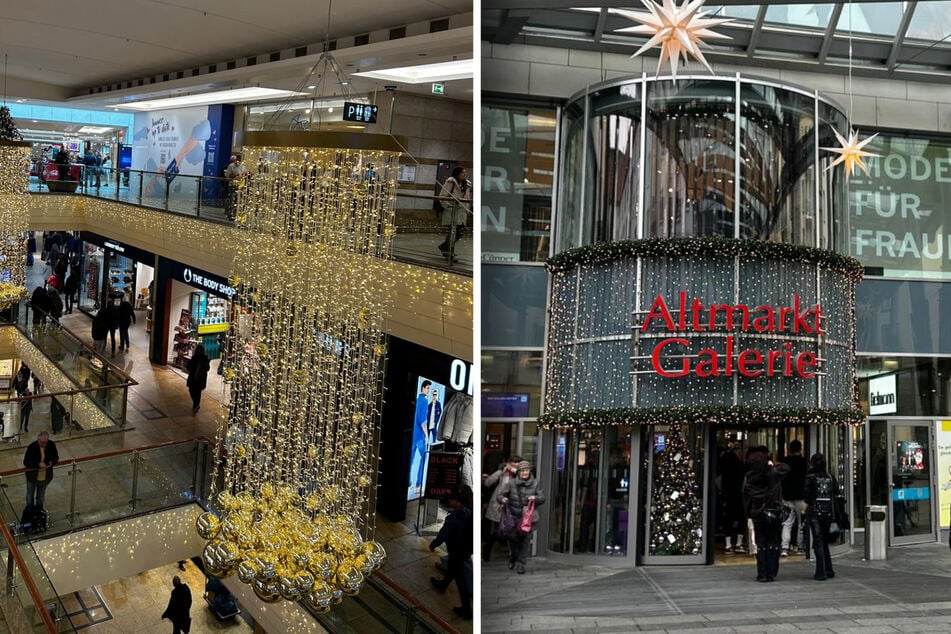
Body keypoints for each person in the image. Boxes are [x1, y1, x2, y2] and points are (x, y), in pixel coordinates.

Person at [742, 447, 790, 582]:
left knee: (761, 543)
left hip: (758, 512)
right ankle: (771, 572)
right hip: (773, 511)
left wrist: (748, 512)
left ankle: (762, 572)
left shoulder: (750, 477)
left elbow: (745, 496)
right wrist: (772, 464)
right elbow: (786, 468)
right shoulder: (774, 474)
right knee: (773, 542)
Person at [429, 488, 473, 619]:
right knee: (453, 570)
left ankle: (466, 610)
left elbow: (443, 534)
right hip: (465, 551)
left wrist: (434, 544)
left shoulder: (453, 519)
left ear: (459, 502)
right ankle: (442, 585)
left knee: (460, 581)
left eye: (453, 499)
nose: (449, 500)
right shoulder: (468, 514)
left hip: (456, 551)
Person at [498, 460, 545, 574]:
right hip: (513, 517)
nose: (525, 473)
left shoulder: (535, 483)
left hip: (527, 519)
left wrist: (535, 498)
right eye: (523, 470)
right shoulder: (511, 483)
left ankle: (521, 564)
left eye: (527, 470)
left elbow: (542, 498)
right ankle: (513, 557)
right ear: (518, 472)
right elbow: (500, 495)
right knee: (513, 541)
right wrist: (503, 499)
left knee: (525, 541)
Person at [804, 452, 838, 581]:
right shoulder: (830, 477)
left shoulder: (810, 477)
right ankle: (828, 569)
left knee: (817, 540)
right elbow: (836, 493)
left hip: (814, 511)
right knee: (824, 541)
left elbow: (807, 496)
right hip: (828, 511)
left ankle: (820, 571)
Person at [482, 455, 520, 561]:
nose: (515, 464)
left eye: (517, 462)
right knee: (501, 529)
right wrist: (500, 471)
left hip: (513, 506)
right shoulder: (503, 473)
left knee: (510, 529)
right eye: (513, 462)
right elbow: (488, 482)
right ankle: (488, 549)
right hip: (500, 506)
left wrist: (511, 469)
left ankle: (512, 553)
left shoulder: (519, 474)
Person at [779, 439, 808, 556]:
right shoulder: (804, 462)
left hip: (787, 496)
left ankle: (784, 547)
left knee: (787, 523)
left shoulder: (784, 462)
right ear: (800, 449)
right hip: (801, 496)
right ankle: (800, 546)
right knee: (802, 523)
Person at [718, 440, 747, 554]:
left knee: (728, 519)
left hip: (727, 494)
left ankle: (728, 544)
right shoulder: (739, 465)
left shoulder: (724, 465)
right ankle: (738, 544)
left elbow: (719, 480)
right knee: (740, 518)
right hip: (738, 494)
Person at [437, 167, 471, 261]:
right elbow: (442, 196)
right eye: (462, 172)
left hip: (461, 212)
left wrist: (466, 210)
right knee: (452, 233)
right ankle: (449, 253)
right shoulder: (450, 182)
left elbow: (467, 198)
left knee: (459, 233)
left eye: (465, 172)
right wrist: (450, 207)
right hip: (452, 211)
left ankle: (445, 248)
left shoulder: (466, 184)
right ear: (457, 173)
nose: (465, 174)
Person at [23, 431, 59, 509]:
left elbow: (55, 457)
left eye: (45, 442)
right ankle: (30, 512)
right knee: (29, 496)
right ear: (38, 439)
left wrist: (51, 463)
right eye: (41, 442)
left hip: (44, 477)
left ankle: (39, 512)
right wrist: (38, 464)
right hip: (32, 477)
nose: (43, 444)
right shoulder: (32, 446)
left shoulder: (51, 445)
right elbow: (26, 462)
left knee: (40, 497)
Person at [409, 380, 432, 497]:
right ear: (423, 388)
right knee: (424, 458)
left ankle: (409, 482)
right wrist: (427, 436)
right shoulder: (424, 401)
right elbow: (423, 421)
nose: (428, 390)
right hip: (420, 436)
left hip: (414, 434)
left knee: (411, 459)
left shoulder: (417, 400)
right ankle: (418, 484)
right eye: (427, 388)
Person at [186, 344, 210, 414]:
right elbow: (207, 369)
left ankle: (195, 404)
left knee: (192, 390)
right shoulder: (205, 359)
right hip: (201, 379)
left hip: (194, 378)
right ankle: (196, 404)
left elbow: (189, 367)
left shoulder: (194, 357)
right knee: (198, 392)